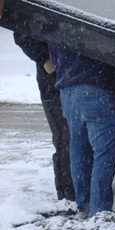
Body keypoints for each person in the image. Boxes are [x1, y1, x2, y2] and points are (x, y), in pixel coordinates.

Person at [48, 44, 115, 217]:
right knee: (105, 152)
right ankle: (99, 213)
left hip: (67, 92)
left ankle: (84, 206)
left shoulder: (62, 19)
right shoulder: (95, 18)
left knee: (78, 149)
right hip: (95, 88)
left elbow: (53, 58)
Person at [14, 33, 75, 202]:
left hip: (75, 80)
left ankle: (76, 189)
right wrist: (44, 58)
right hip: (53, 84)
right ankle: (66, 194)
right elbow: (21, 34)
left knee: (76, 139)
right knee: (66, 139)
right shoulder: (41, 15)